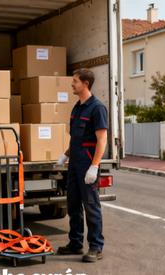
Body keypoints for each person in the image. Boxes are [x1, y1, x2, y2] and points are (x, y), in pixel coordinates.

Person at [55, 68, 108, 262]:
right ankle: (75, 244)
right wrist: (65, 155)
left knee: (91, 205)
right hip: (75, 163)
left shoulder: (97, 108)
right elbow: (76, 138)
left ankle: (96, 247)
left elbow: (102, 139)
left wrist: (94, 166)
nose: (72, 84)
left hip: (87, 163)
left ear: (85, 83)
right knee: (73, 205)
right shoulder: (77, 107)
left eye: (75, 81)